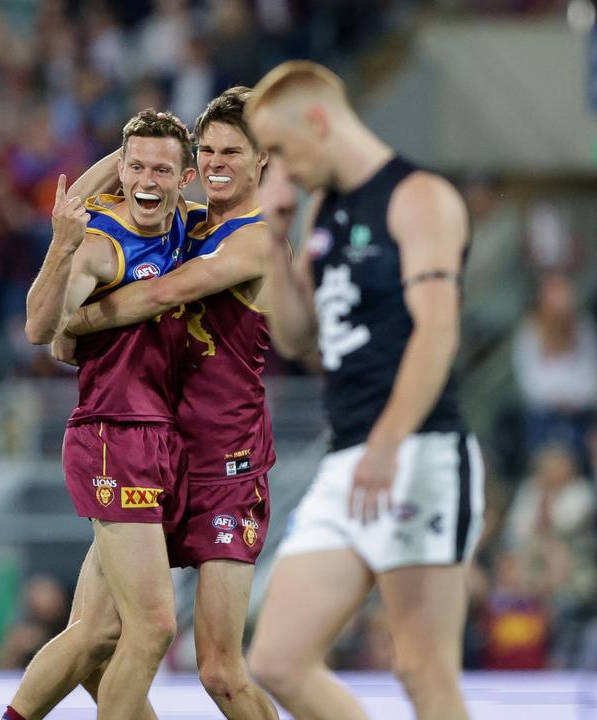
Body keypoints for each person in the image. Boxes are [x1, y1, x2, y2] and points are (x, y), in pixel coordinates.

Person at [8, 88, 288, 720]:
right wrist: (139, 149)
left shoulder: (255, 240)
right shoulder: (186, 221)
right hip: (153, 451)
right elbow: (90, 203)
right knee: (99, 635)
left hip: (224, 466)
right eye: (208, 150)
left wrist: (71, 324)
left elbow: (161, 295)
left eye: (232, 152)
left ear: (262, 159)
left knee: (216, 667)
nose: (217, 163)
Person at [242, 61, 483, 720]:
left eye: (284, 151)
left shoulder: (420, 197)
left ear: (318, 123)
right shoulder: (324, 209)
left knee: (421, 668)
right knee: (276, 661)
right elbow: (296, 339)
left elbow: (438, 332)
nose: (283, 169)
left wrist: (388, 441)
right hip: (351, 455)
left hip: (418, 449)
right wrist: (271, 238)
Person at [10, 109, 197, 720]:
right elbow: (40, 329)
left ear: (183, 177)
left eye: (161, 169)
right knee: (154, 626)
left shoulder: (185, 229)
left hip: (158, 442)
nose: (147, 178)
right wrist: (62, 243)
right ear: (122, 172)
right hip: (115, 439)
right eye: (136, 166)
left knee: (96, 633)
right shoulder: (103, 244)